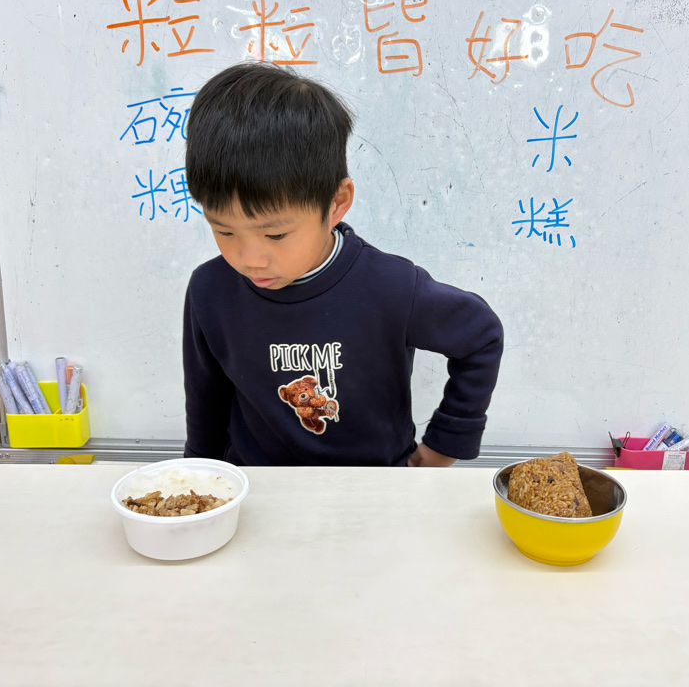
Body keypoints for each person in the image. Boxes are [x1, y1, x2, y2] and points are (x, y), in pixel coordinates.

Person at [183, 62, 503, 467]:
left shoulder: (391, 287)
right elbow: (206, 404)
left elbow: (481, 336)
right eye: (224, 231)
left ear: (336, 203)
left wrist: (444, 445)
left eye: (275, 235)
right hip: (259, 488)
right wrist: (197, 472)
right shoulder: (210, 290)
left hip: (376, 488)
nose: (250, 259)